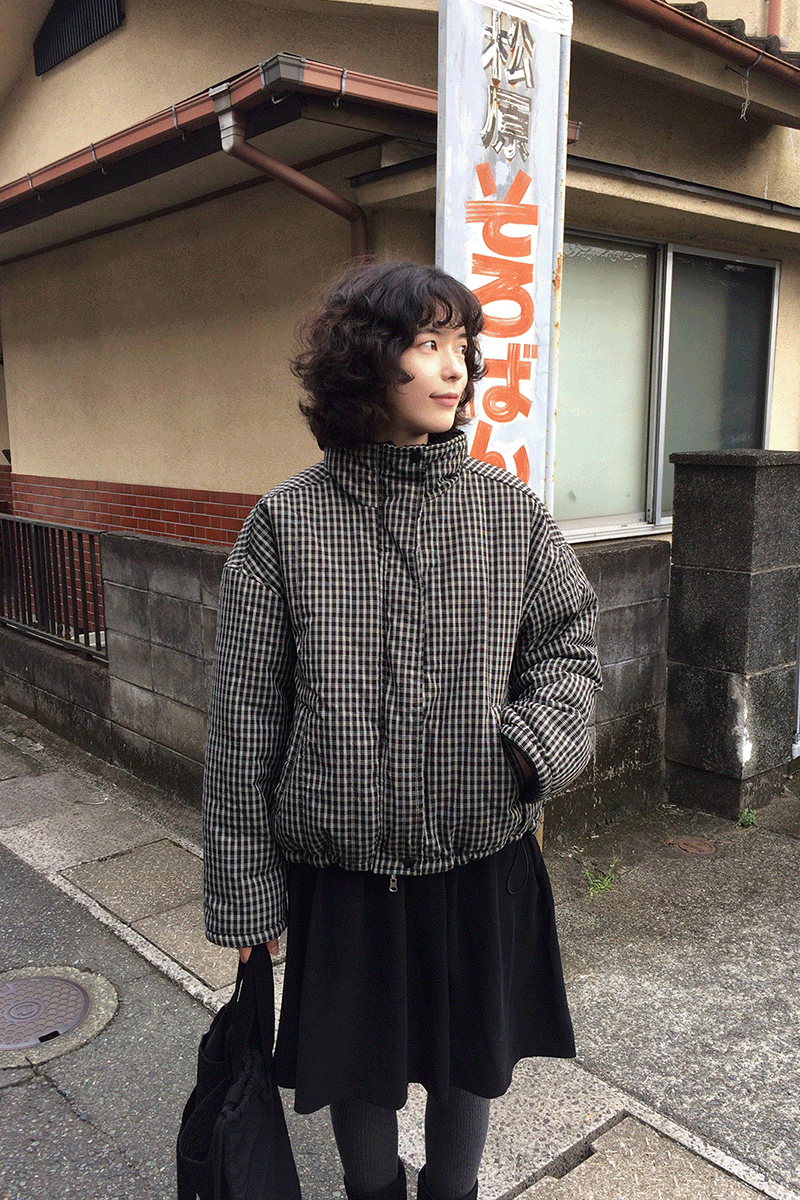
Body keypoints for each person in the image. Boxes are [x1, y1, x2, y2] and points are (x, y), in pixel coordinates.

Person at [203, 260, 602, 1200]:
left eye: (462, 345)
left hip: (480, 856)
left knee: (472, 1064)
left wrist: (525, 752)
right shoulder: (286, 524)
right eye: (428, 343)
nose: (454, 367)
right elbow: (243, 721)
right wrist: (249, 902)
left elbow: (572, 649)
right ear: (365, 359)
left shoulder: (509, 513)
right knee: (357, 1070)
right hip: (344, 873)